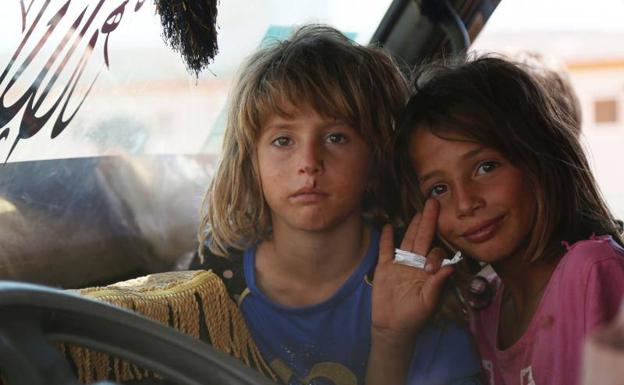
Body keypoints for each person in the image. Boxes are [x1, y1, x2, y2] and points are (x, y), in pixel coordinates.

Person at [193, 25, 483, 385]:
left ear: (376, 157)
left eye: (336, 137)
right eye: (283, 140)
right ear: (251, 162)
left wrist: (392, 338)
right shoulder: (217, 277)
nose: (309, 162)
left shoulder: (416, 277)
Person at [380, 55, 624, 385]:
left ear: (540, 159)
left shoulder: (591, 271)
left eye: (486, 167)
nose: (466, 203)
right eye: (439, 189)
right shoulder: (485, 301)